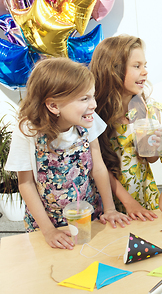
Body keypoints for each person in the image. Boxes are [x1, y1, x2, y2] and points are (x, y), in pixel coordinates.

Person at [5, 58, 130, 250]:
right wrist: (48, 230)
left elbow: (98, 167)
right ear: (53, 106)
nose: (94, 105)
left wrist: (110, 209)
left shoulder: (89, 120)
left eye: (92, 96)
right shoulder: (27, 131)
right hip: (47, 225)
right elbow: (26, 184)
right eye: (84, 99)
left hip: (89, 218)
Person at [91, 35, 162, 221]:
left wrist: (153, 145)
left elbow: (151, 159)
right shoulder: (95, 115)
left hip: (144, 194)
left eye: (145, 65)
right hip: (111, 200)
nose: (145, 72)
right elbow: (98, 165)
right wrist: (127, 202)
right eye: (137, 66)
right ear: (113, 70)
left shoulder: (149, 109)